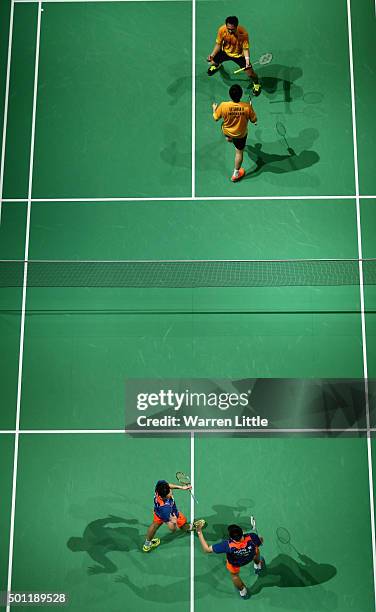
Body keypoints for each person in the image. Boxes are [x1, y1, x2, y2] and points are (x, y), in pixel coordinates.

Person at [195, 523, 265, 600]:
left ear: (231, 537)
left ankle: (243, 591)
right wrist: (260, 539)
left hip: (236, 563)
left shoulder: (227, 545)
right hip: (250, 556)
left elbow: (206, 549)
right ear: (242, 531)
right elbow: (260, 542)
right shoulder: (252, 536)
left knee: (235, 576)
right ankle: (258, 566)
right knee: (256, 551)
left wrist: (199, 532)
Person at [143, 479, 205, 552]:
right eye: (169, 493)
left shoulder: (160, 487)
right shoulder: (166, 509)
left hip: (157, 512)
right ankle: (190, 527)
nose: (171, 492)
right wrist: (174, 522)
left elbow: (167, 485)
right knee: (182, 523)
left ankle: (147, 544)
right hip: (170, 514)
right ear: (164, 497)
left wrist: (181, 487)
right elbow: (172, 529)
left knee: (154, 525)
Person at [207, 16, 261, 96]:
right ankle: (217, 65)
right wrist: (212, 55)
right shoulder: (222, 30)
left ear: (236, 26)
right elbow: (218, 44)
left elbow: (245, 49)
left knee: (250, 74)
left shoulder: (243, 33)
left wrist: (247, 61)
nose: (230, 31)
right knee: (213, 62)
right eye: (228, 28)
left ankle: (256, 84)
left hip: (239, 55)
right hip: (225, 51)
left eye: (232, 29)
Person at [212, 84, 257, 182]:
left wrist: (214, 109)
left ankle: (229, 138)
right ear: (241, 95)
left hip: (227, 131)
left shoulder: (223, 105)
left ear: (230, 95)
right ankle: (236, 174)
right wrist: (250, 110)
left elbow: (215, 118)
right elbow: (254, 120)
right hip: (240, 135)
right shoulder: (247, 107)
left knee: (227, 133)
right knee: (239, 152)